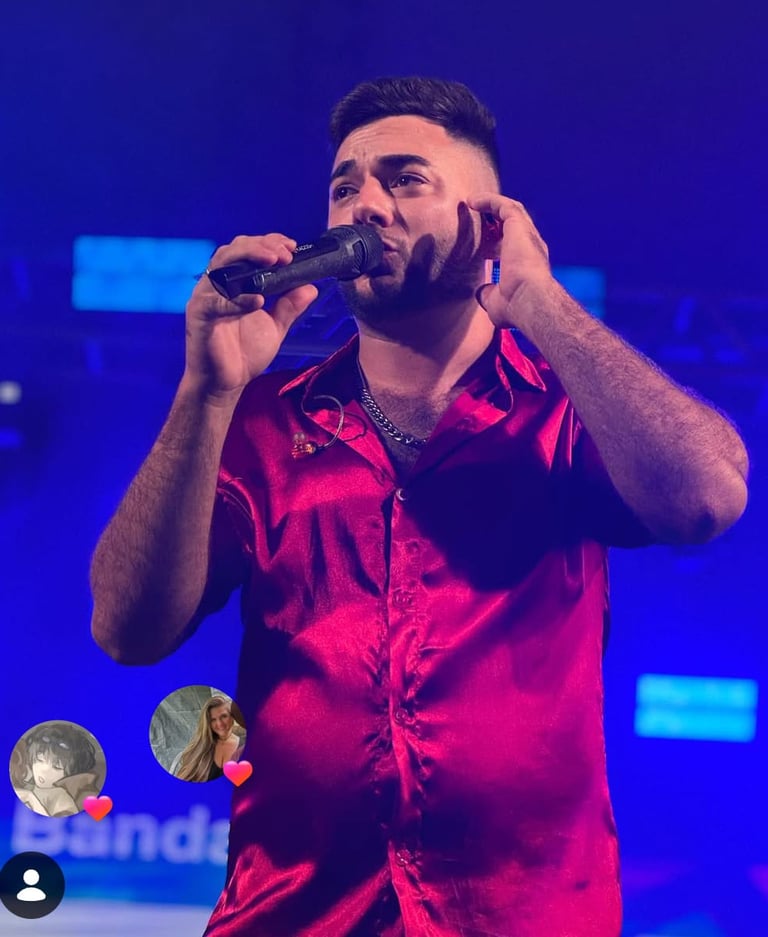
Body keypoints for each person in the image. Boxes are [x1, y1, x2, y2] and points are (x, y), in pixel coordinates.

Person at [90, 76, 748, 936]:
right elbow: (126, 629)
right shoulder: (259, 422)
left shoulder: (565, 411)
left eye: (404, 179)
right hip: (291, 917)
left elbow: (707, 499)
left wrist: (541, 303)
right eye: (344, 187)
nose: (363, 205)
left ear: (490, 224)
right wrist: (206, 389)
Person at [12, 722, 101, 817]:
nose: (44, 770)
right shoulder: (25, 786)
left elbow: (65, 822)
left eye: (56, 767)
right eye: (39, 759)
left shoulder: (61, 797)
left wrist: (32, 800)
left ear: (70, 773)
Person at [175, 695, 246, 782]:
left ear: (232, 717)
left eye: (224, 716)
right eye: (213, 720)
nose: (219, 724)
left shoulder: (246, 746)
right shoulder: (200, 746)